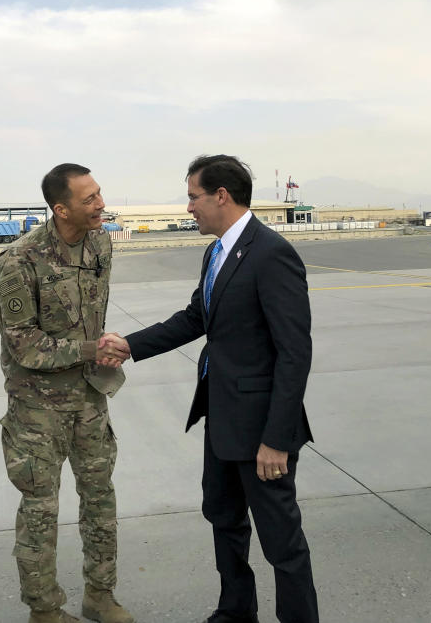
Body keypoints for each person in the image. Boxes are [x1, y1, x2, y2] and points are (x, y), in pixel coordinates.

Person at [104, 154, 319, 623]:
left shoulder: (271, 253)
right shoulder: (217, 251)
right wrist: (129, 345)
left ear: (221, 195)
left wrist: (277, 439)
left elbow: (294, 353)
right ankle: (237, 610)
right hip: (221, 418)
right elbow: (196, 318)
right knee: (224, 520)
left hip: (263, 431)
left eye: (192, 197)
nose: (189, 208)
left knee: (281, 540)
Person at [0, 164, 132, 623]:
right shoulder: (20, 260)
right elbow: (24, 344)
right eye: (89, 199)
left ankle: (100, 594)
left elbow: (93, 310)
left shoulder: (101, 244)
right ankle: (45, 610)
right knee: (40, 511)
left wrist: (100, 349)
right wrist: (92, 347)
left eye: (99, 194)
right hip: (38, 410)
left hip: (91, 398)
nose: (101, 204)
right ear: (61, 208)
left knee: (100, 500)